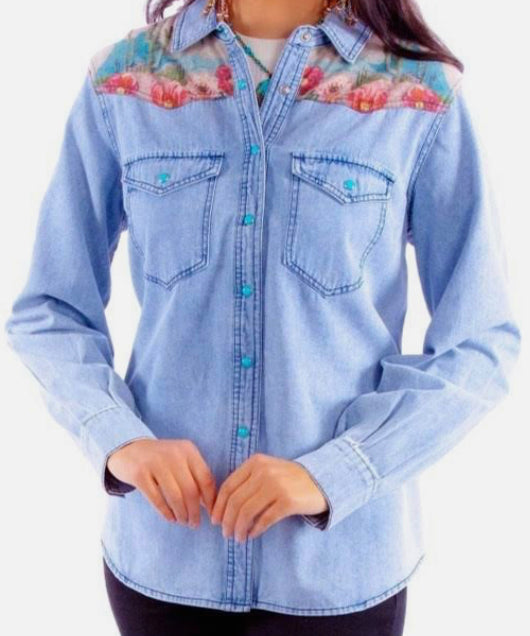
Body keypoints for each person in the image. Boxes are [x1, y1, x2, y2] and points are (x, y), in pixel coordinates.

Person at [4, 0, 521, 634]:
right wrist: (119, 439)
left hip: (339, 570)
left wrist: (337, 472)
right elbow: (50, 309)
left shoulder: (417, 94)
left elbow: (480, 341)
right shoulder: (124, 82)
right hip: (166, 565)